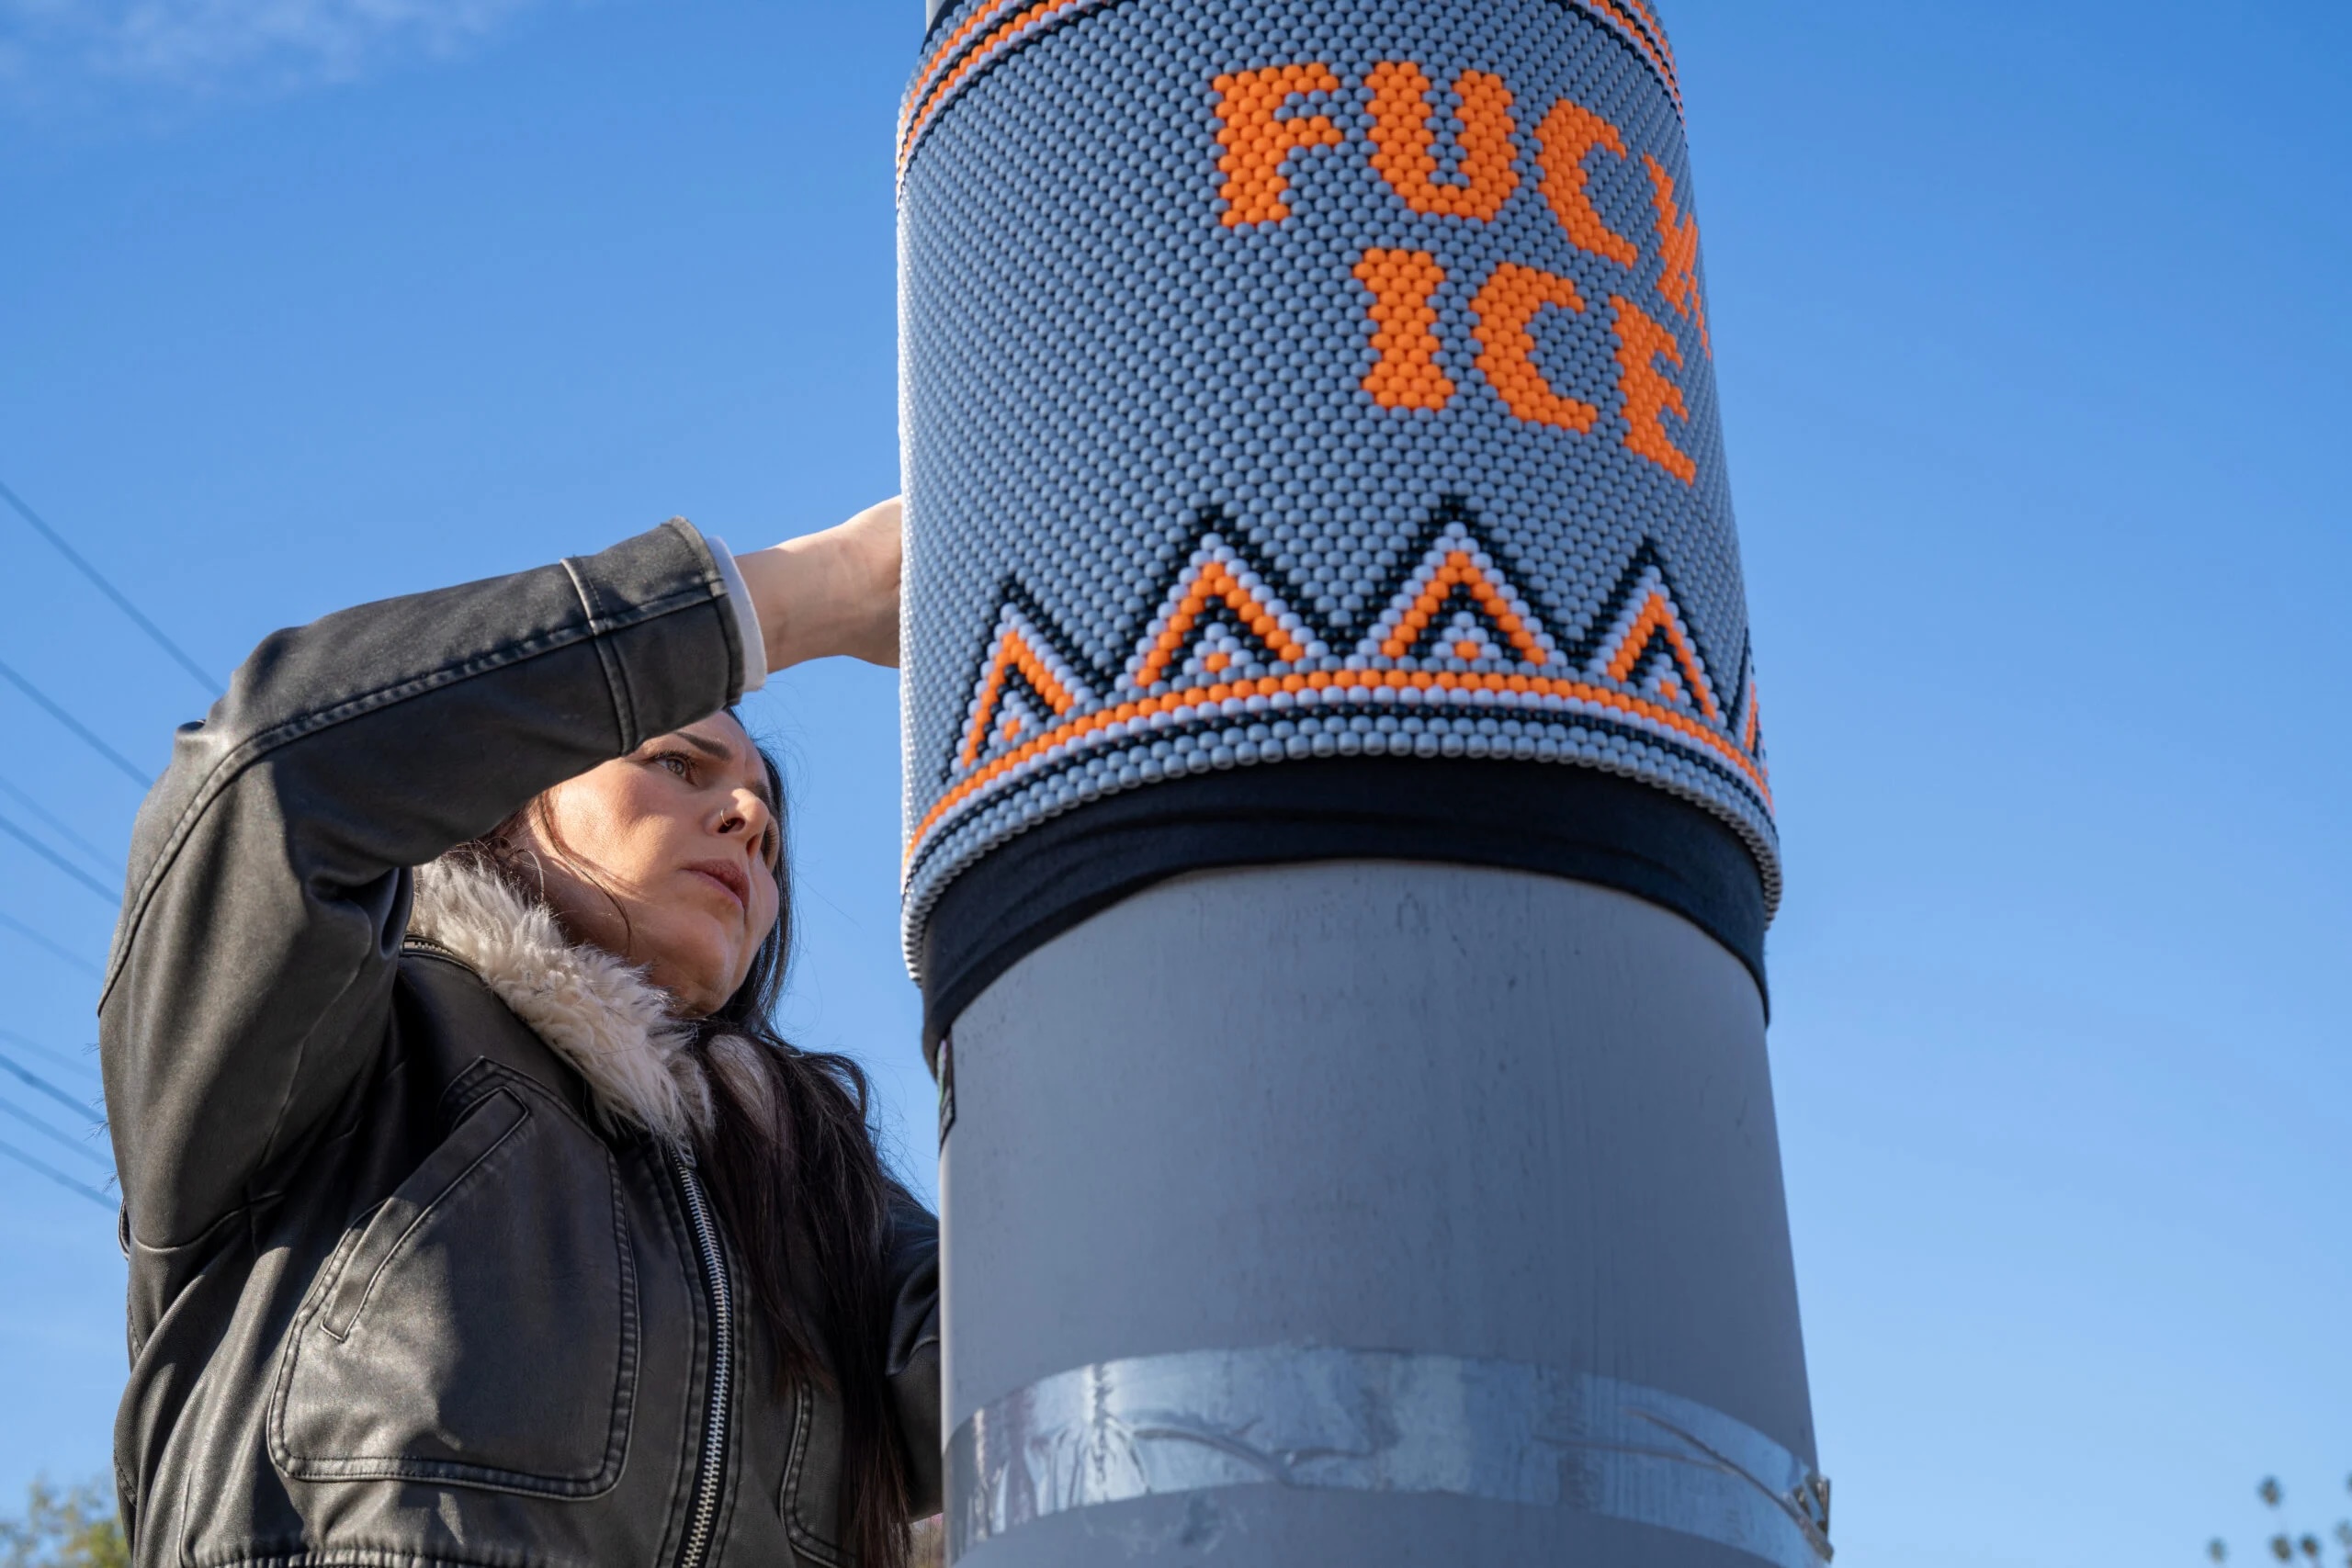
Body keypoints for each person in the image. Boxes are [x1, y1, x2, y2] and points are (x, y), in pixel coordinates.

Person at [97, 503, 930, 1568]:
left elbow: (1049, 1348)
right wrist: (823, 592)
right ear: (497, 803)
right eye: (679, 765)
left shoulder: (815, 1182)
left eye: (765, 817)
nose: (749, 820)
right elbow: (268, 778)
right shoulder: (341, 1040)